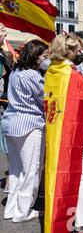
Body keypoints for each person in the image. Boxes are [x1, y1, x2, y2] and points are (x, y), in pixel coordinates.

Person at [44, 34, 83, 233]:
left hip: (56, 134)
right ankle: (82, 222)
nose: (81, 54)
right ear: (68, 52)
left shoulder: (51, 71)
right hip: (77, 134)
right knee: (80, 177)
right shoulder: (73, 75)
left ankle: (66, 215)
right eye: (78, 51)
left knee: (61, 177)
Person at [1, 40, 49, 223]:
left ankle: (12, 209)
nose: (47, 59)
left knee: (15, 170)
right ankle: (22, 212)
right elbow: (44, 99)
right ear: (36, 56)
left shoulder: (15, 71)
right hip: (30, 124)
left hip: (10, 123)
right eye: (45, 56)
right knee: (31, 170)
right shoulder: (33, 75)